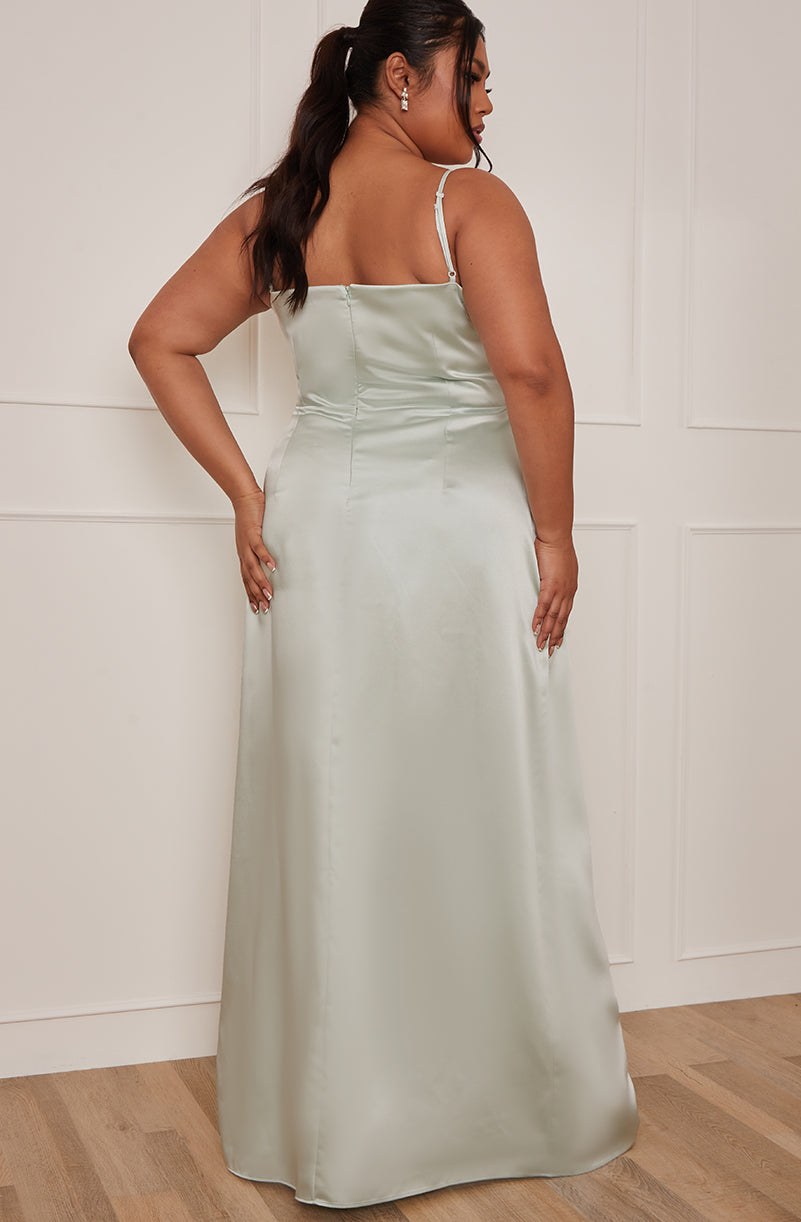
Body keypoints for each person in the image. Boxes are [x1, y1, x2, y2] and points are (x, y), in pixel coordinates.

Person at [128, 0, 639, 1209]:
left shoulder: (283, 211)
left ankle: (337, 1118)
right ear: (403, 78)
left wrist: (248, 497)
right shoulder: (472, 205)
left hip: (320, 534)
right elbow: (531, 373)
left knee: (336, 814)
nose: (489, 101)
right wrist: (555, 534)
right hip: (458, 536)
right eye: (476, 75)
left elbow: (159, 340)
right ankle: (499, 1099)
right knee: (483, 810)